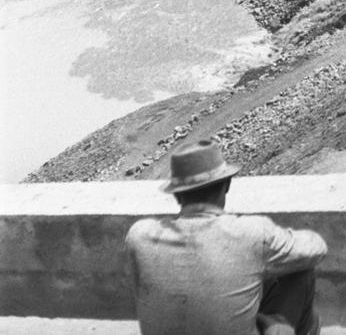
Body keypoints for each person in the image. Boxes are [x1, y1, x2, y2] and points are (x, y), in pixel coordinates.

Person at [124, 139, 327, 335]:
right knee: (301, 274)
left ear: (176, 195)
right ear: (227, 185)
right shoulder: (252, 232)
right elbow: (317, 248)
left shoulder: (139, 236)